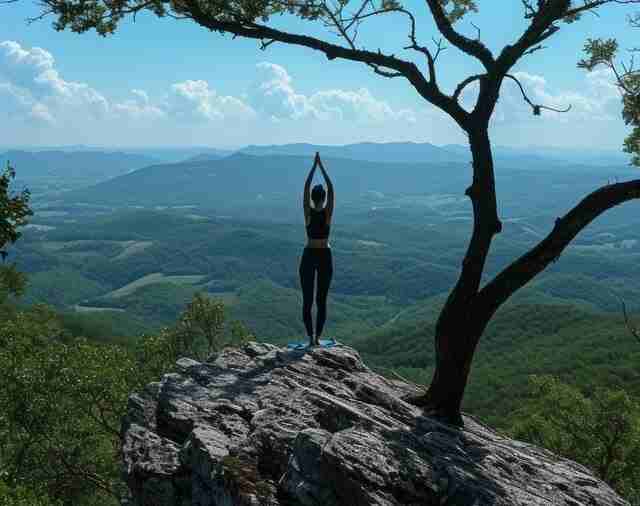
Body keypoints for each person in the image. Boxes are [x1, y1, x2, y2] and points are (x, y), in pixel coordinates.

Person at [299, 152, 334, 346]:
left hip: (309, 255)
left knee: (308, 300)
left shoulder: (308, 214)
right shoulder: (327, 214)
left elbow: (305, 189)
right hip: (324, 256)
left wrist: (314, 167)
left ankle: (311, 337)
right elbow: (331, 189)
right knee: (321, 300)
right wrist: (322, 167)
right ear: (324, 197)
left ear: (313, 197)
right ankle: (317, 338)